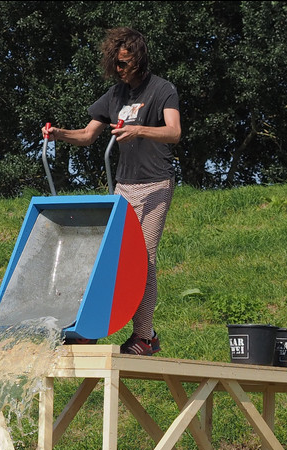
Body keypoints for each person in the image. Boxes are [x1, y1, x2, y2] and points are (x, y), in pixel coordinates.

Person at [46, 27, 181, 356]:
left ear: (138, 58)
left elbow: (174, 132)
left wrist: (139, 130)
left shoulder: (162, 89)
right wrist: (58, 133)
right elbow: (88, 135)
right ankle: (88, 329)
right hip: (124, 185)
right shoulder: (115, 95)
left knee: (144, 259)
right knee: (109, 257)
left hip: (155, 184)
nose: (119, 70)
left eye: (124, 63)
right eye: (115, 64)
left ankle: (144, 336)